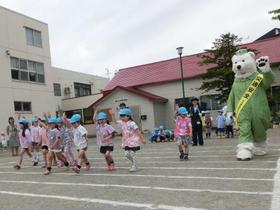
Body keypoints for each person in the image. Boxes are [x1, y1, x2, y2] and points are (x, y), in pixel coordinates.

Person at [110, 108, 146, 172]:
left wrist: (142, 139)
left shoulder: (132, 123)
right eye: (121, 116)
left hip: (133, 141)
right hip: (126, 141)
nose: (122, 118)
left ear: (128, 116)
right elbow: (114, 122)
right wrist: (112, 115)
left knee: (132, 153)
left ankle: (135, 166)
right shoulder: (122, 122)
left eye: (123, 116)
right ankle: (134, 164)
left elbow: (138, 131)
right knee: (126, 154)